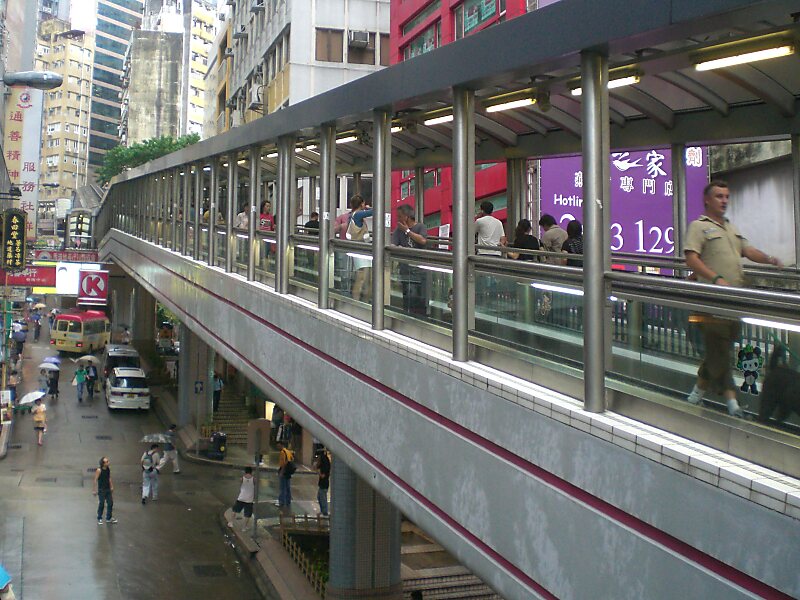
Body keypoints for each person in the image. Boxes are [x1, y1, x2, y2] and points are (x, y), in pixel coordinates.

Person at [684, 181, 782, 416]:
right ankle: (733, 405)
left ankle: (694, 397)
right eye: (719, 196)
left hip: (733, 302)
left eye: (727, 196)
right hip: (711, 303)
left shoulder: (730, 228)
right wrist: (715, 278)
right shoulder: (699, 227)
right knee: (720, 353)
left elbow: (747, 250)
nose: (724, 200)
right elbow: (691, 258)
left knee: (717, 352)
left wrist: (769, 259)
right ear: (707, 200)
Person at [391, 204, 429, 314]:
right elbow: (393, 244)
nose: (398, 219)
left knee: (419, 297)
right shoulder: (398, 230)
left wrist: (407, 231)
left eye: (399, 216)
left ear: (406, 217)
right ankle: (407, 315)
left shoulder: (420, 227)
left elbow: (423, 240)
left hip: (419, 270)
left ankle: (419, 316)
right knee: (407, 297)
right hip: (405, 269)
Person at [347, 196, 374, 302]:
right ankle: (357, 300)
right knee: (362, 277)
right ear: (361, 204)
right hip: (360, 250)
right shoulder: (358, 214)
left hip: (362, 250)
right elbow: (375, 211)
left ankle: (362, 300)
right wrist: (368, 208)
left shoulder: (353, 215)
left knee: (366, 278)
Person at [93, 456, 118, 525]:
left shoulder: (108, 469)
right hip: (101, 490)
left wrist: (111, 486)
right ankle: (99, 518)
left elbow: (109, 478)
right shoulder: (99, 470)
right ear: (103, 463)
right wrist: (94, 490)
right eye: (107, 462)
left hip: (107, 489)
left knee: (110, 503)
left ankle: (108, 518)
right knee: (101, 504)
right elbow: (95, 480)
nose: (108, 462)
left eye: (108, 461)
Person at [277, 440, 294, 508]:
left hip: (284, 471)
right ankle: (288, 501)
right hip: (288, 472)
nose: (278, 447)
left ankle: (281, 502)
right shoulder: (288, 451)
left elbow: (284, 463)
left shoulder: (282, 452)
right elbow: (292, 459)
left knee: (282, 488)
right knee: (287, 487)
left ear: (282, 445)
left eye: (279, 446)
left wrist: (281, 472)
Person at [315, 449, 331, 517]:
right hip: (322, 483)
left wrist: (318, 471)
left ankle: (325, 512)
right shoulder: (324, 463)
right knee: (319, 497)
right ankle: (323, 511)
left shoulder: (325, 466)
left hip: (324, 484)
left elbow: (322, 476)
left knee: (322, 498)